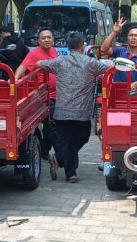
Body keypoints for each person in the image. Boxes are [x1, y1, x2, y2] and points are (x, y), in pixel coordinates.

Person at [36, 32, 112, 183]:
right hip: (82, 113)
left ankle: (59, 159)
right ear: (82, 46)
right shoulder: (90, 63)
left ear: (67, 46)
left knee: (67, 142)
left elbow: (39, 64)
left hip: (62, 111)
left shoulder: (59, 61)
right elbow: (108, 68)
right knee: (82, 138)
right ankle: (71, 173)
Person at [16, 27, 60, 179]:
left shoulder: (54, 51)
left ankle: (45, 152)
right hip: (42, 96)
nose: (47, 40)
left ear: (53, 40)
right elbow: (22, 68)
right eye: (44, 38)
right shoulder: (34, 53)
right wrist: (14, 81)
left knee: (51, 127)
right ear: (38, 41)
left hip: (56, 95)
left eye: (49, 37)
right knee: (51, 127)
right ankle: (50, 154)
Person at [100, 16, 137, 83]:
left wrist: (135, 85)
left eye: (136, 35)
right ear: (127, 38)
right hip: (117, 87)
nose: (133, 38)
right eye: (131, 35)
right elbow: (103, 49)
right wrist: (114, 32)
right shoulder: (120, 51)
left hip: (136, 89)